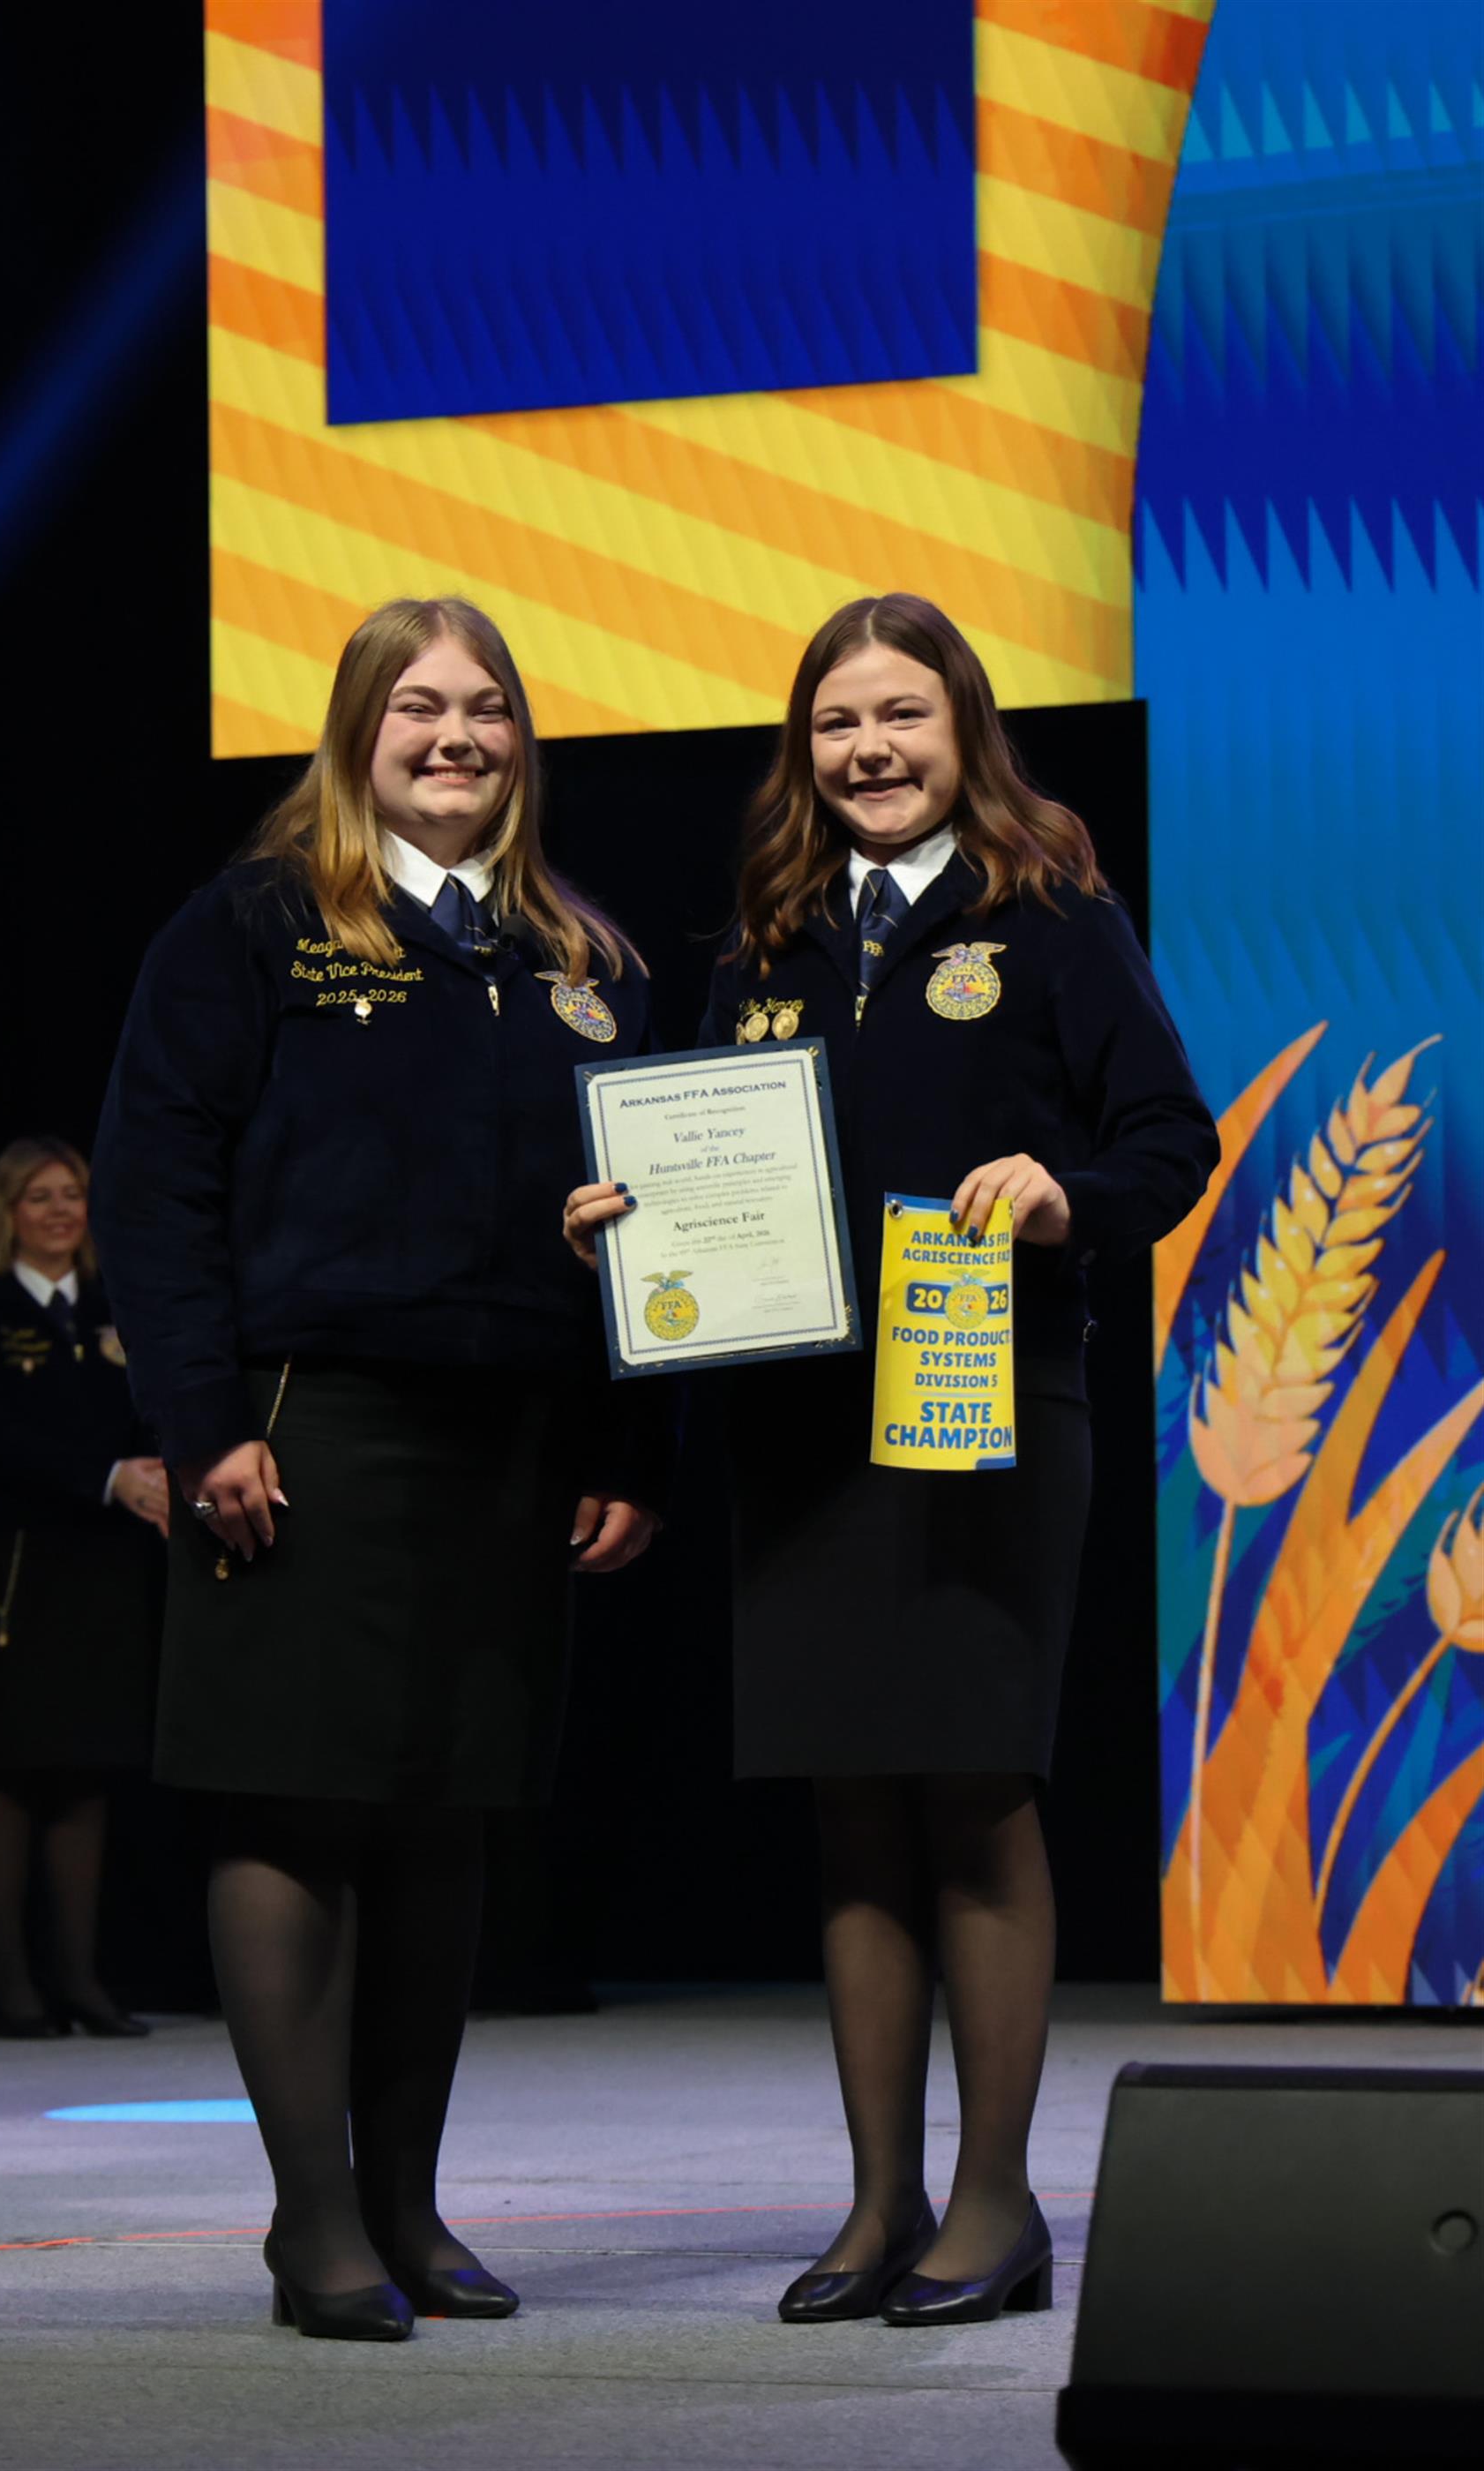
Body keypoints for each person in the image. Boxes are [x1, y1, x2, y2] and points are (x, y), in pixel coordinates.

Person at [566, 593, 1218, 2328]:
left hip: (986, 1412)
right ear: (804, 749)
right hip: (795, 1430)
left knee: (974, 1791)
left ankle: (996, 2206)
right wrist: (632, 1225)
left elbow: (1173, 1134)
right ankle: (880, 2203)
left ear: (964, 728)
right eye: (838, 722)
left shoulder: (1051, 912)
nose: (870, 748)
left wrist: (1069, 1196)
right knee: (850, 1809)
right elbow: (708, 1185)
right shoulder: (764, 937)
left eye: (902, 715)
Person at [93, 597, 664, 2345]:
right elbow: (153, 1190)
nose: (454, 735)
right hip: (303, 1425)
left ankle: (408, 2205)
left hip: (514, 1437)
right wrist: (202, 1423)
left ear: (523, 738)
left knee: (444, 1815)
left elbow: (656, 1226)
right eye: (417, 705)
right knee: (293, 1805)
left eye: (485, 706)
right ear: (354, 732)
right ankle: (316, 2217)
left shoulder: (588, 957)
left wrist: (624, 1436)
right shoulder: (253, 924)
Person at [0, 1138, 168, 2039]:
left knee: (89, 1767)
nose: (58, 1210)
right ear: (8, 1213)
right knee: (11, 1767)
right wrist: (106, 1476)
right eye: (38, 1196)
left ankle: (79, 1979)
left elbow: (150, 1409)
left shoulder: (117, 1308)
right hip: (15, 1564)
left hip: (103, 1565)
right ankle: (14, 1989)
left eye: (72, 1193)